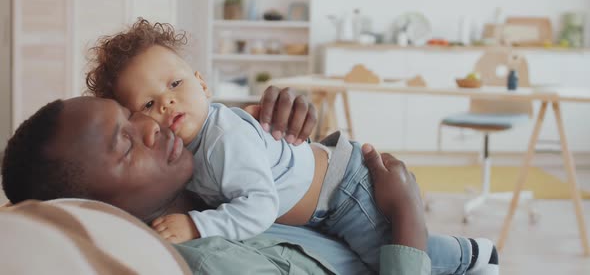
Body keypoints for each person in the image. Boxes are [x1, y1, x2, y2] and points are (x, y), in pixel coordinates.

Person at [84, 18, 498, 274]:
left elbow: (259, 205)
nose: (168, 102)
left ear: (203, 84)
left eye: (175, 85)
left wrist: (198, 225)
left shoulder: (223, 140)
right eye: (149, 104)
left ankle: (470, 256)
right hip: (315, 204)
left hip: (340, 191)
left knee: (381, 255)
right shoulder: (192, 154)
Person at [0, 92, 431, 273]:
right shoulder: (213, 263)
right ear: (97, 206)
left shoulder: (212, 192)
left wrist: (279, 139)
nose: (151, 125)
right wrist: (407, 215)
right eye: (126, 146)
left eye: (133, 114)